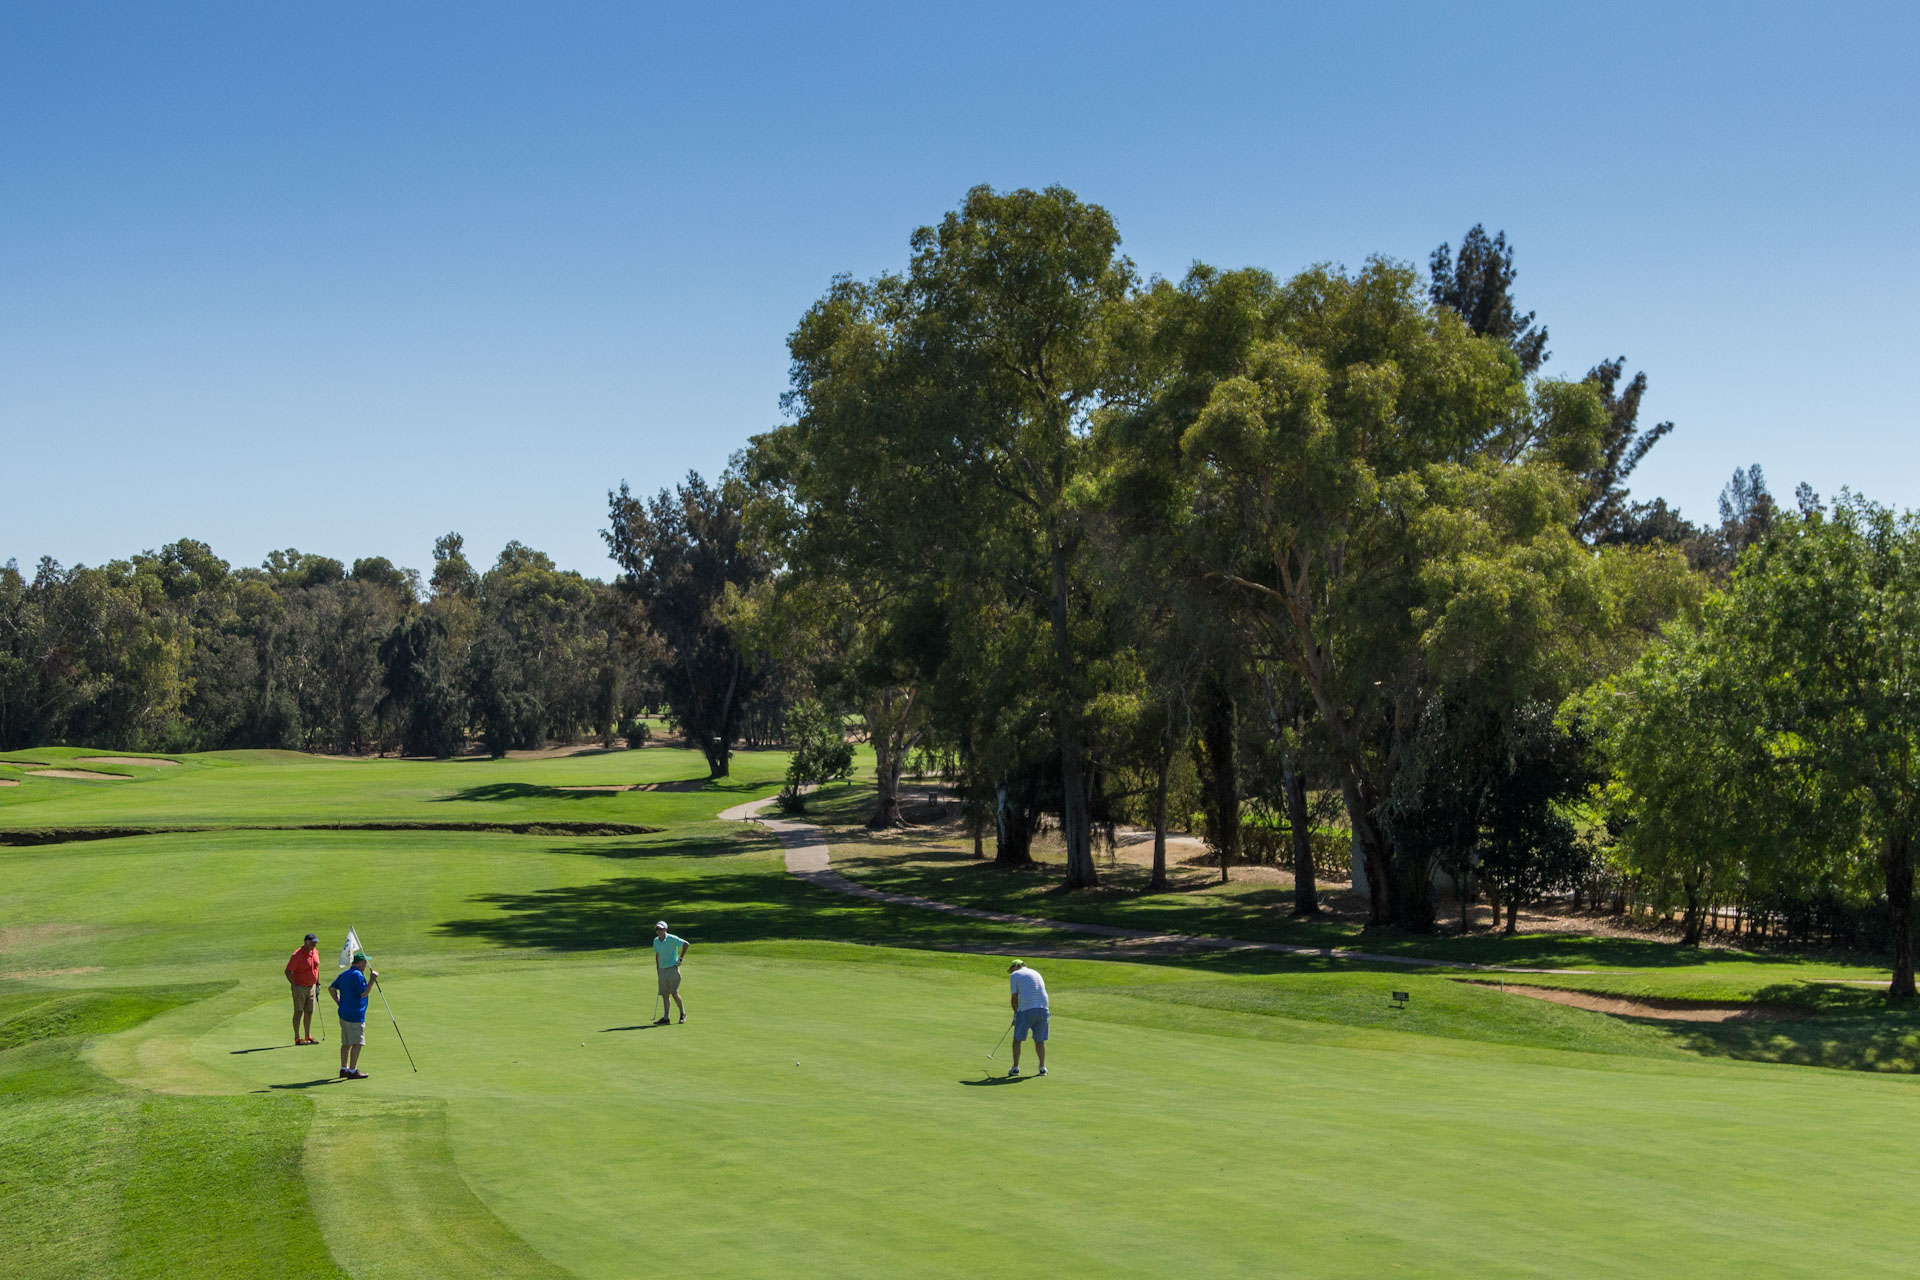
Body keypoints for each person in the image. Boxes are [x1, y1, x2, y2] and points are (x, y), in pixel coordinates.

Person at [329, 951, 378, 1078]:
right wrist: (372, 979)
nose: (366, 964)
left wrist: (339, 1002)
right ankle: (352, 1071)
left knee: (346, 1043)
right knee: (357, 1043)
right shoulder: (357, 975)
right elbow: (363, 993)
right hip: (355, 1014)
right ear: (359, 962)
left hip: (344, 1012)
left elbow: (331, 988)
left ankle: (343, 1069)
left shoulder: (345, 974)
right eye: (365, 962)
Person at [1007, 959, 1049, 1077]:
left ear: (1016, 966)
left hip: (1027, 1009)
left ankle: (1015, 1068)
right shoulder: (1035, 972)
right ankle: (1042, 1068)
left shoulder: (1015, 975)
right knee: (1039, 1040)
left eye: (1011, 969)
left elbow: (1014, 997)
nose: (1010, 972)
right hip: (1043, 1009)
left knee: (1017, 1039)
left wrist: (1016, 1013)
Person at [284, 932, 322, 1045]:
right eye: (313, 943)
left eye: (316, 943)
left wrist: (318, 984)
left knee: (309, 1011)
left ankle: (308, 1036)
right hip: (300, 987)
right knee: (299, 1011)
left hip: (312, 986)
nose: (315, 945)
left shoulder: (315, 952)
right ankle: (297, 1038)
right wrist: (294, 985)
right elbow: (288, 971)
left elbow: (316, 968)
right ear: (306, 942)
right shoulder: (297, 955)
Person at [652, 920, 689, 1025]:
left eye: (661, 929)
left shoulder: (672, 939)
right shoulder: (656, 941)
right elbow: (657, 955)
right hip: (662, 970)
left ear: (665, 930)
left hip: (673, 969)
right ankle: (666, 1018)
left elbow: (686, 944)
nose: (659, 931)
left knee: (674, 993)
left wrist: (680, 958)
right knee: (665, 995)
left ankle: (683, 1013)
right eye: (657, 929)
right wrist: (658, 970)